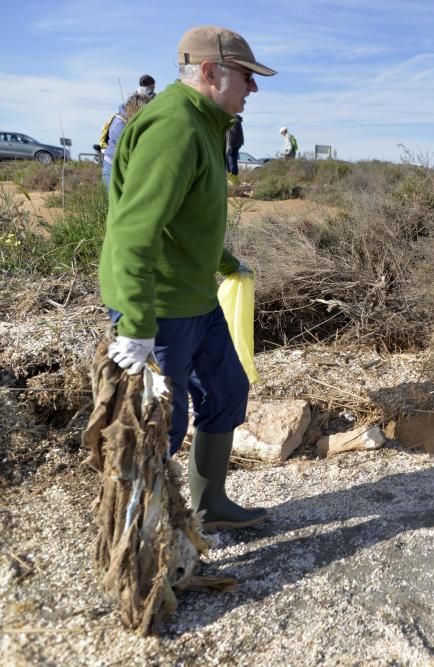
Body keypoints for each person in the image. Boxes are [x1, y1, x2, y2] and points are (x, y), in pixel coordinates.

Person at [99, 25, 277, 530]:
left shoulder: (204, 123)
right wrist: (135, 322)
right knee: (162, 425)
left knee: (226, 390)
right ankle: (143, 540)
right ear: (209, 72)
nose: (253, 88)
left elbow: (183, 216)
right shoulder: (175, 126)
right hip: (159, 305)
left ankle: (208, 506)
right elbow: (133, 230)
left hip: (196, 297)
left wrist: (222, 262)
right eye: (246, 76)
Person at [101, 92, 153, 188]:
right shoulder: (119, 124)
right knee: (117, 202)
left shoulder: (132, 121)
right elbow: (127, 150)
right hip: (113, 169)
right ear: (137, 109)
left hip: (126, 168)